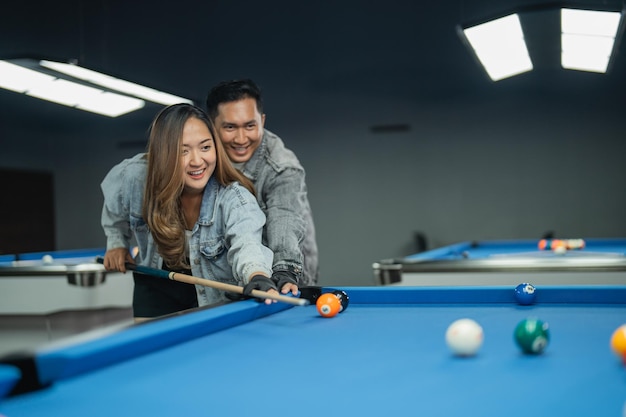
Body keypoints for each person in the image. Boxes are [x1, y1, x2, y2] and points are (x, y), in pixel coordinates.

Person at [100, 103, 282, 321]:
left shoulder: (236, 199)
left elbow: (247, 244)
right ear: (164, 154)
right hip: (156, 280)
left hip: (212, 293)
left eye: (205, 147)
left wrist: (257, 275)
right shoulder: (135, 178)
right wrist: (117, 243)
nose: (197, 161)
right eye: (183, 151)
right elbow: (114, 209)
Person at [206, 79, 319, 290]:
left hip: (286, 274)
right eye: (230, 127)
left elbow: (284, 216)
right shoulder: (203, 156)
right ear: (212, 125)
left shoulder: (282, 167)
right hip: (237, 272)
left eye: (250, 126)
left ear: (262, 121)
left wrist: (284, 270)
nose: (241, 139)